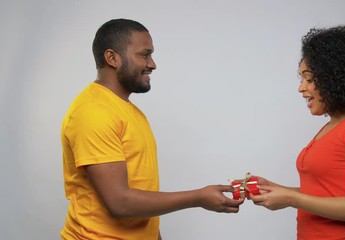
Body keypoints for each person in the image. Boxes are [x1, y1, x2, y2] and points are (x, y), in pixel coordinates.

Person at [60, 18, 244, 240]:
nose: (152, 64)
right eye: (144, 55)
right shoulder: (93, 112)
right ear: (112, 58)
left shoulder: (129, 111)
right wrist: (198, 198)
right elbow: (120, 203)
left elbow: (140, 195)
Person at [250, 25, 345, 239]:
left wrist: (290, 199)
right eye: (301, 79)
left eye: (309, 79)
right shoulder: (330, 126)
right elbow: (326, 194)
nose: (301, 88)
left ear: (334, 79)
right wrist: (278, 190)